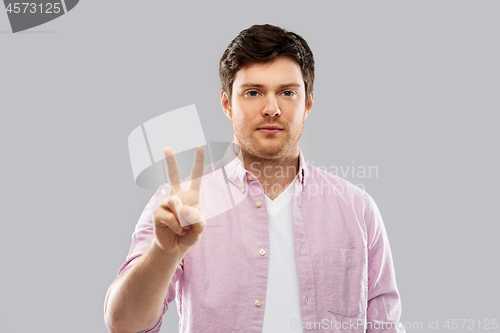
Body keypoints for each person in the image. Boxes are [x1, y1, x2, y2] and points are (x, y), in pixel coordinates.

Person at [104, 24, 406, 333]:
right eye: (253, 93)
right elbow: (123, 324)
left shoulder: (358, 210)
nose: (272, 109)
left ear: (308, 104)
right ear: (227, 104)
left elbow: (385, 327)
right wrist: (163, 253)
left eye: (287, 93)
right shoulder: (179, 204)